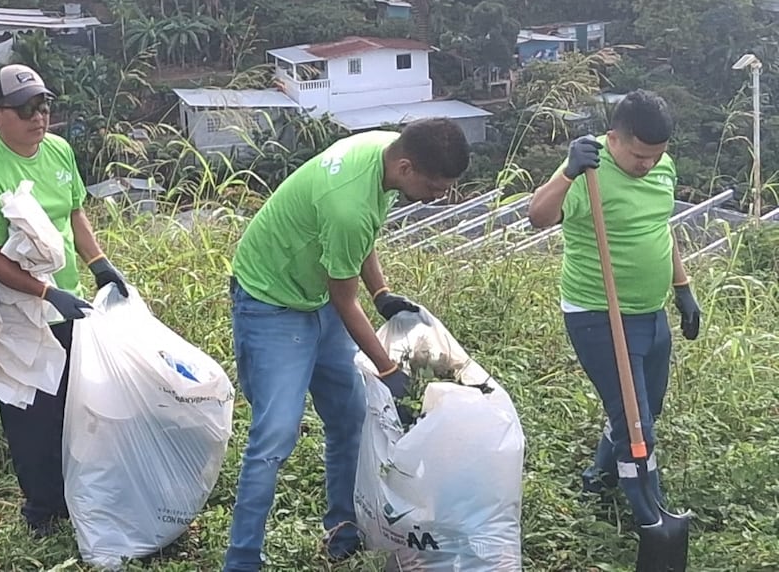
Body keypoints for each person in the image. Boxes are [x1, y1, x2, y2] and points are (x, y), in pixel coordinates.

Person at [222, 120, 472, 572]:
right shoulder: (347, 204)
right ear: (407, 165)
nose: (440, 196)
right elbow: (344, 297)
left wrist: (382, 293)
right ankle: (241, 561)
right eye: (435, 186)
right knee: (275, 434)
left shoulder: (382, 153)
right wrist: (388, 370)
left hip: (315, 295)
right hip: (269, 303)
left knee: (350, 417)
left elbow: (361, 239)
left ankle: (343, 529)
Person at [0, 63, 129, 536]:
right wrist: (46, 292)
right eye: (25, 109)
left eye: (44, 106)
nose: (39, 117)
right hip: (20, 312)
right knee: (32, 411)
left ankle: (76, 495)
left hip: (69, 303)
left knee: (77, 403)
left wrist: (98, 264)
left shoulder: (58, 150)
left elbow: (74, 212)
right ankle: (42, 511)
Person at [526, 90, 700, 531]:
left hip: (650, 311)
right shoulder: (589, 172)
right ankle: (647, 508)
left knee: (645, 408)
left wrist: (682, 288)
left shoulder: (663, 166)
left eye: (656, 156)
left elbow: (660, 227)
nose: (648, 164)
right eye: (639, 155)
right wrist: (567, 172)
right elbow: (538, 216)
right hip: (598, 314)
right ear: (613, 140)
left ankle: (598, 477)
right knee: (637, 425)